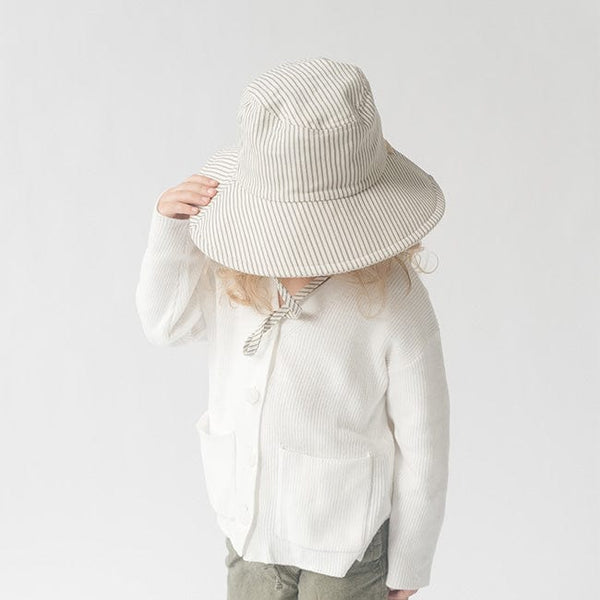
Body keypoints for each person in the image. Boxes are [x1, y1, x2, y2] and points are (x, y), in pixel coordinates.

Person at [135, 57, 450, 600]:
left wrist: (410, 562)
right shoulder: (232, 273)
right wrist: (170, 233)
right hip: (249, 531)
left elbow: (424, 439)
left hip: (347, 547)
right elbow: (163, 325)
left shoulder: (394, 301)